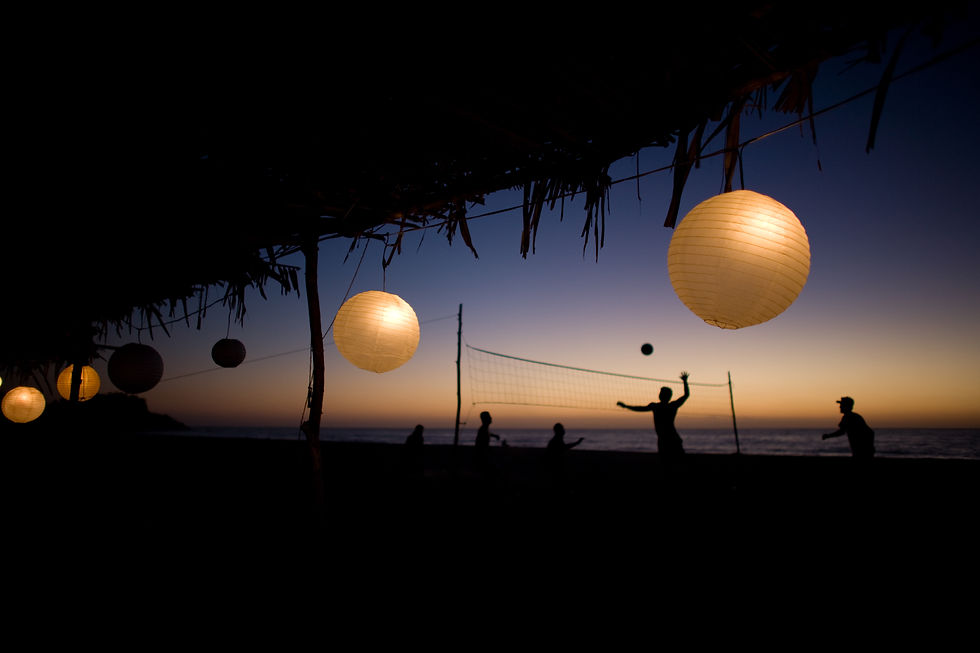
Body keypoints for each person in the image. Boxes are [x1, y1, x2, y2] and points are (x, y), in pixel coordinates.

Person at [617, 371, 690, 457]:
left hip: (668, 438)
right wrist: (685, 381)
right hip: (669, 438)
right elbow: (686, 395)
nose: (660, 395)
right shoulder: (671, 405)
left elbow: (640, 409)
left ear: (661, 396)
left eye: (662, 393)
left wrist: (626, 406)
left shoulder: (657, 406)